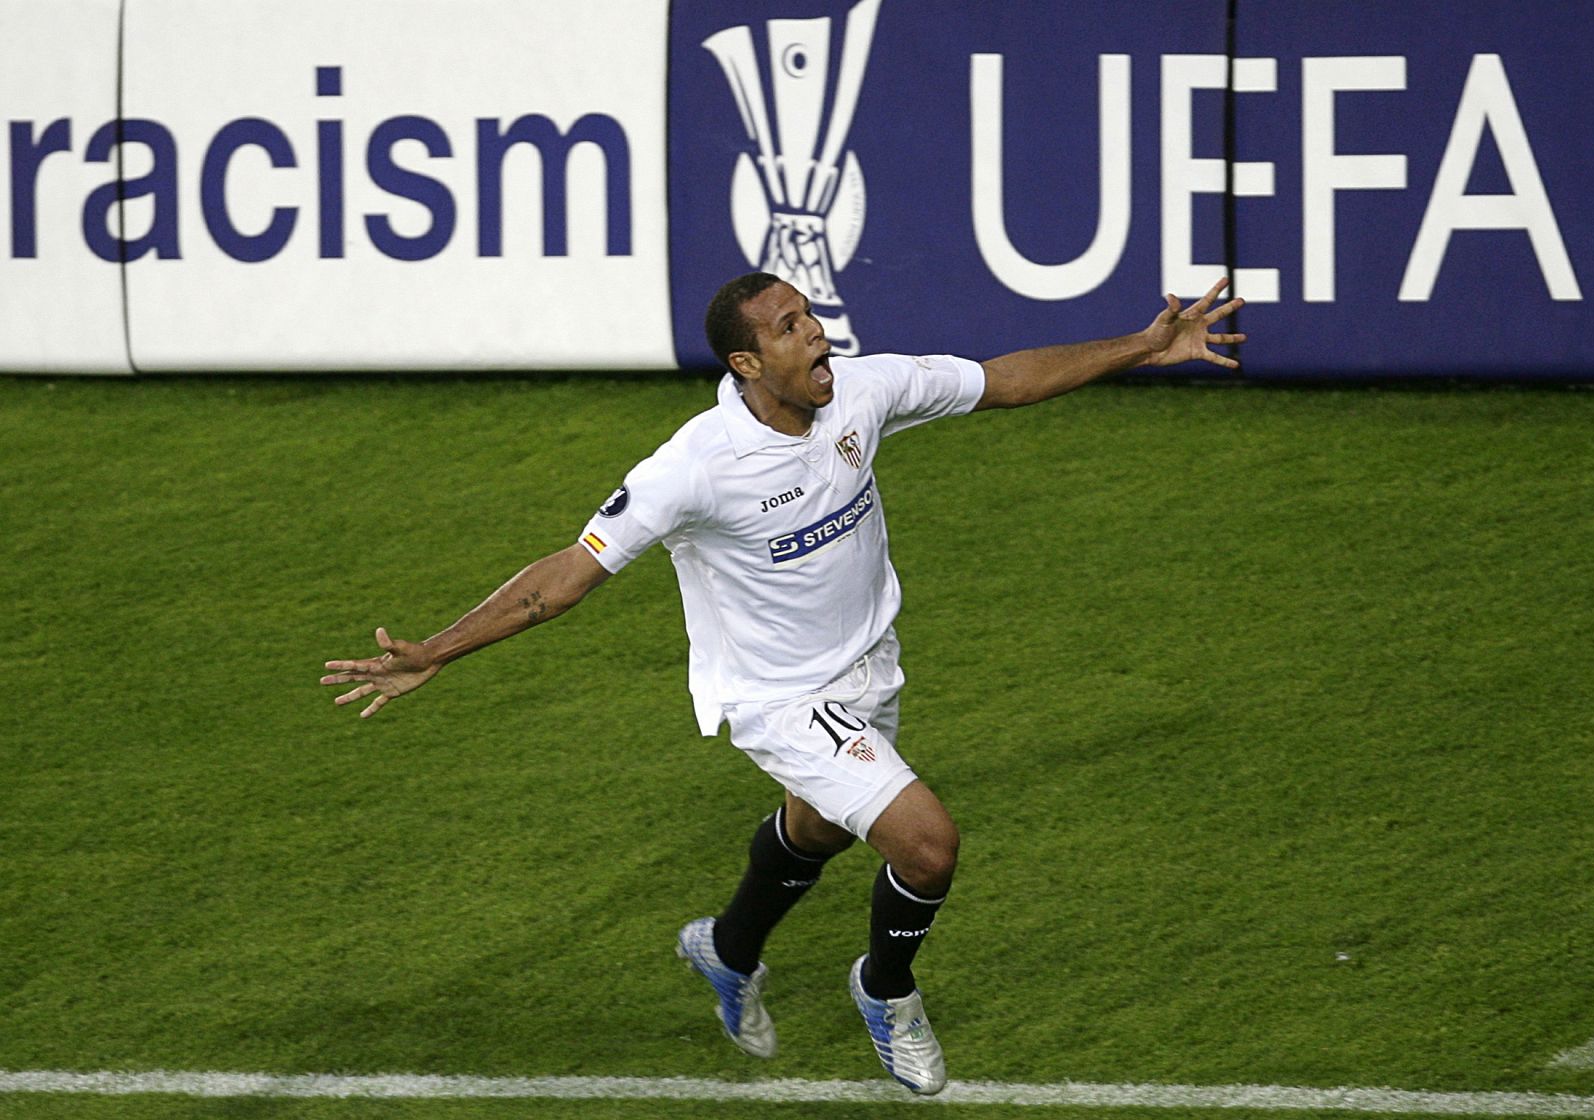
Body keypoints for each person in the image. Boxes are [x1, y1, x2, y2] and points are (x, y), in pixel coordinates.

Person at [321, 273, 1246, 1095]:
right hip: (776, 697)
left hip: (867, 665)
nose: (819, 339)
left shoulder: (860, 395)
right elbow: (565, 574)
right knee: (925, 847)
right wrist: (438, 648)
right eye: (793, 328)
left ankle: (726, 952)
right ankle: (886, 991)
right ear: (747, 361)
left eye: (811, 318)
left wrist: (1144, 344)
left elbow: (1001, 381)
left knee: (818, 828)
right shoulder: (693, 467)